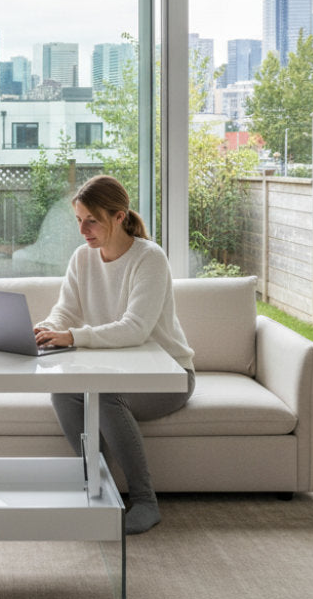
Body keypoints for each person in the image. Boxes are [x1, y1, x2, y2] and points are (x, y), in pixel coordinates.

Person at [33, 175, 195, 534]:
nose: (83, 230)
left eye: (92, 220)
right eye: (78, 220)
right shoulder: (83, 258)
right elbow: (66, 311)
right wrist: (46, 329)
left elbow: (134, 327)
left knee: (103, 394)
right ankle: (98, 489)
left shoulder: (149, 259)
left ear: (119, 216)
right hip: (116, 369)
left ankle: (145, 501)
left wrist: (72, 336)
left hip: (169, 374)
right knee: (63, 392)